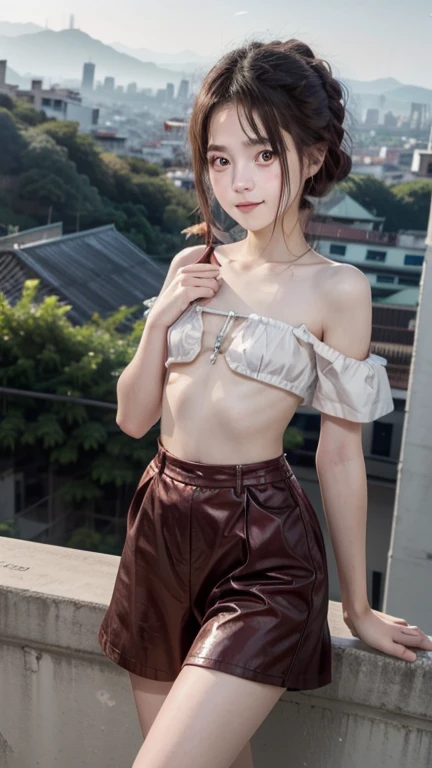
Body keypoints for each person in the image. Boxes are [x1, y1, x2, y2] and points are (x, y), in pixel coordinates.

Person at [98, 38, 432, 768]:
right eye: (219, 160)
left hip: (263, 550)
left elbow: (340, 453)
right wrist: (159, 319)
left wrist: (359, 605)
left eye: (263, 155)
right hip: (158, 529)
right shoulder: (195, 264)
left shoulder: (338, 288)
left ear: (310, 157)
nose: (238, 182)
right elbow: (132, 418)